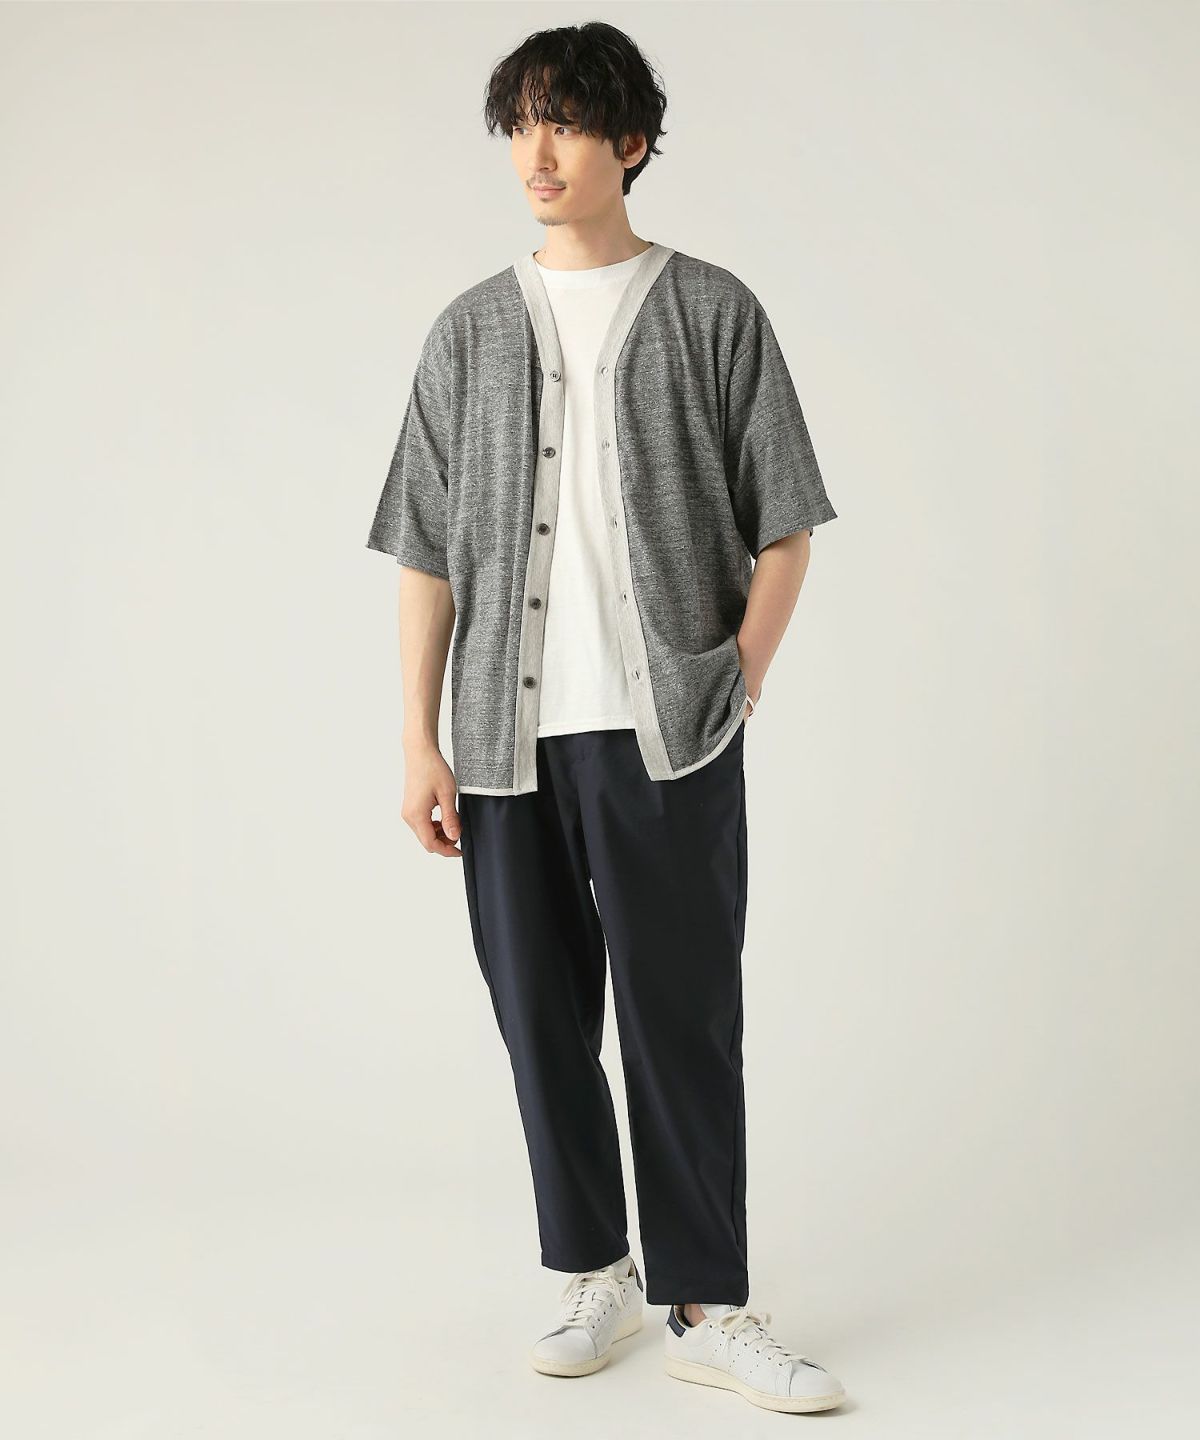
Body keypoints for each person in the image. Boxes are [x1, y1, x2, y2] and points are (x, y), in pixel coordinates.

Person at [366, 21, 846, 1415]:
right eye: (520, 122)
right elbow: (426, 551)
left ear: (630, 142)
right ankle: (597, 1274)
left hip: (669, 735)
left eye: (568, 121)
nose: (539, 150)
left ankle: (710, 1304)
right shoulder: (467, 331)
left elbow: (786, 523)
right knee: (539, 1016)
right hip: (504, 746)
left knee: (681, 1017)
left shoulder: (712, 312)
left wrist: (734, 675)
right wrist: (418, 737)